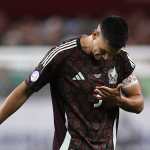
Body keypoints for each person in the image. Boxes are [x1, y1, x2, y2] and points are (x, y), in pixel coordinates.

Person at [0, 16, 144, 150]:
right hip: (69, 146)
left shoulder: (121, 60)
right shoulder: (63, 55)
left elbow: (138, 103)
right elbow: (25, 89)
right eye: (103, 51)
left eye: (112, 54)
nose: (106, 58)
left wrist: (120, 100)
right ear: (95, 34)